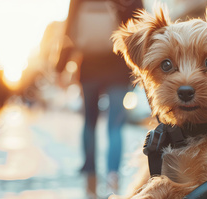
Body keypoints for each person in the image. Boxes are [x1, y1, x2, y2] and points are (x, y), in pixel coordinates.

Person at [57, 0, 143, 198]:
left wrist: (60, 67)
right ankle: (113, 177)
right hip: (118, 66)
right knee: (115, 125)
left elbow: (68, 32)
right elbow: (139, 24)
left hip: (89, 67)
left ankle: (90, 174)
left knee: (89, 122)